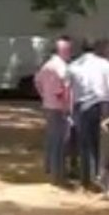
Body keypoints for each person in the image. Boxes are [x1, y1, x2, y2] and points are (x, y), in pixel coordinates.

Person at [67, 39, 109, 187]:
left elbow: (69, 88)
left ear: (81, 49)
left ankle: (86, 177)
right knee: (99, 142)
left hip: (81, 106)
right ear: (95, 48)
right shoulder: (104, 65)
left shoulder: (73, 66)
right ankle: (99, 176)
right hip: (100, 105)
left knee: (84, 142)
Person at [35, 36, 73, 183]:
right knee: (61, 140)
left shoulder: (47, 65)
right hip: (59, 107)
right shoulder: (62, 67)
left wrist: (44, 95)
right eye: (68, 50)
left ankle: (49, 167)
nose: (70, 53)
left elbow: (37, 81)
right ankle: (58, 173)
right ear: (62, 51)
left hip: (49, 105)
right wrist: (66, 107)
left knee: (51, 138)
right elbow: (64, 89)